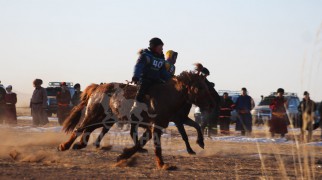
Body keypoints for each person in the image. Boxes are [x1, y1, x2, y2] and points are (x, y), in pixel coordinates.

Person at [130, 37, 171, 114]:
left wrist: (170, 79)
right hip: (145, 79)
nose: (162, 49)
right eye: (160, 47)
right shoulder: (146, 55)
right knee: (142, 89)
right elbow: (139, 66)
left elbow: (163, 71)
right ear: (154, 47)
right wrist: (136, 76)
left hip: (156, 80)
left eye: (162, 47)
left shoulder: (161, 58)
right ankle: (135, 106)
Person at [199, 67, 221, 136]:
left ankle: (209, 135)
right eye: (206, 75)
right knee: (204, 121)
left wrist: (211, 85)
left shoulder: (204, 79)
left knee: (209, 121)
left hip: (209, 105)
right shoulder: (199, 79)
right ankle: (201, 134)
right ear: (203, 73)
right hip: (204, 104)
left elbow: (208, 85)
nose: (206, 76)